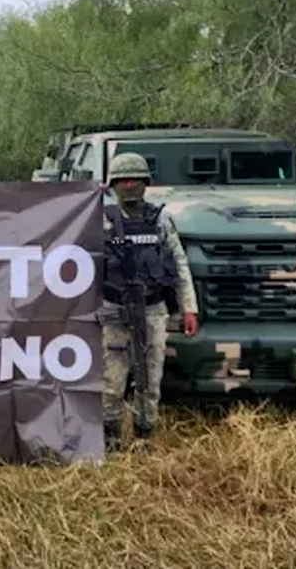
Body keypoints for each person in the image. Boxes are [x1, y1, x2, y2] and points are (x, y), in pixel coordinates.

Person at [99, 151, 200, 452]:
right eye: (123, 180)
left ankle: (144, 440)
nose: (129, 185)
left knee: (150, 380)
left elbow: (179, 263)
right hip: (113, 310)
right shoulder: (100, 220)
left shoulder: (161, 220)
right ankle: (111, 442)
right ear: (113, 184)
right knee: (111, 384)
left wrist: (189, 308)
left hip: (153, 310)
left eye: (135, 180)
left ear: (145, 183)